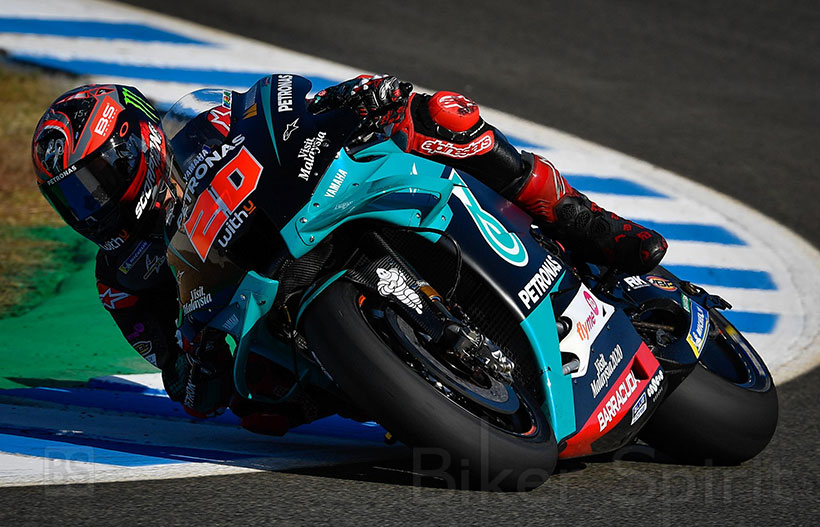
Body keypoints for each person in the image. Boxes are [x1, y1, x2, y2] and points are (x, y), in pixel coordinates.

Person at [31, 74, 667, 430]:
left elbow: (280, 108)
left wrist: (349, 102)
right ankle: (405, 392)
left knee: (436, 114)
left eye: (95, 181)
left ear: (136, 143)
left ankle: (581, 220)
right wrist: (192, 364)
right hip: (267, 313)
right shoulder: (122, 278)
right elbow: (179, 379)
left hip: (309, 209)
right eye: (73, 200)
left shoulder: (204, 127)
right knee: (258, 408)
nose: (92, 206)